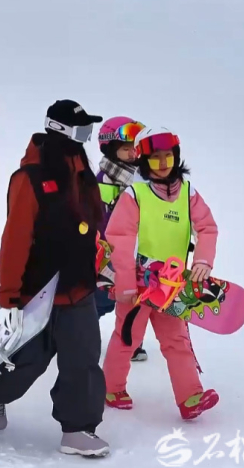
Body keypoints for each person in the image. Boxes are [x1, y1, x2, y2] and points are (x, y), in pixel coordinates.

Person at [0, 100, 110, 458]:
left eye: (88, 131)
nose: (86, 138)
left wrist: (101, 264)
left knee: (83, 359)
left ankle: (77, 429)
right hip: (40, 292)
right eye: (81, 131)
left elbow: (91, 227)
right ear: (61, 130)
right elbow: (15, 240)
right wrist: (8, 298)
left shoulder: (82, 171)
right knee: (28, 362)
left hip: (78, 288)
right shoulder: (30, 178)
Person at [101, 127, 219, 420]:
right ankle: (111, 388)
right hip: (138, 284)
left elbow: (207, 228)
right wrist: (125, 282)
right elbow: (119, 238)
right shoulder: (135, 194)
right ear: (144, 161)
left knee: (177, 341)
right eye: (156, 158)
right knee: (127, 337)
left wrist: (203, 261)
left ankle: (190, 397)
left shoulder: (189, 194)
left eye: (169, 156)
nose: (164, 163)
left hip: (172, 286)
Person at [94, 116, 147, 362]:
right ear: (110, 148)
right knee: (101, 301)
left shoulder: (143, 179)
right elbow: (98, 218)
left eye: (134, 147)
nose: (132, 153)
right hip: (108, 253)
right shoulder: (103, 181)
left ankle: (131, 343)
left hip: (137, 251)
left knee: (134, 301)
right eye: (126, 148)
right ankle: (79, 337)